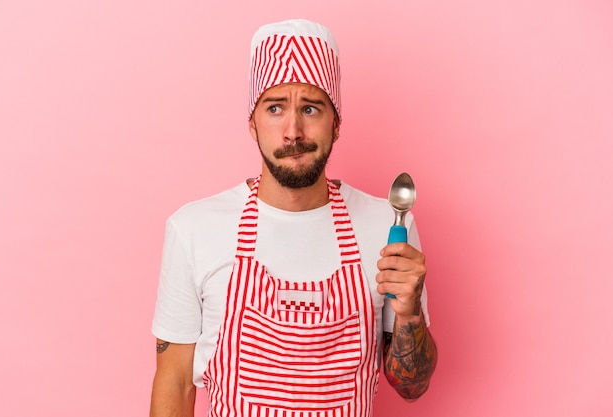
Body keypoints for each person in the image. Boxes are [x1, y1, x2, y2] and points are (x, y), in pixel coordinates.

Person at [150, 18, 437, 417]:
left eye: (310, 108)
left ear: (336, 124)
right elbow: (176, 382)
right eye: (274, 108)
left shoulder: (388, 228)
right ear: (252, 124)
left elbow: (411, 386)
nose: (293, 130)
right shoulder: (194, 228)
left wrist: (410, 311)